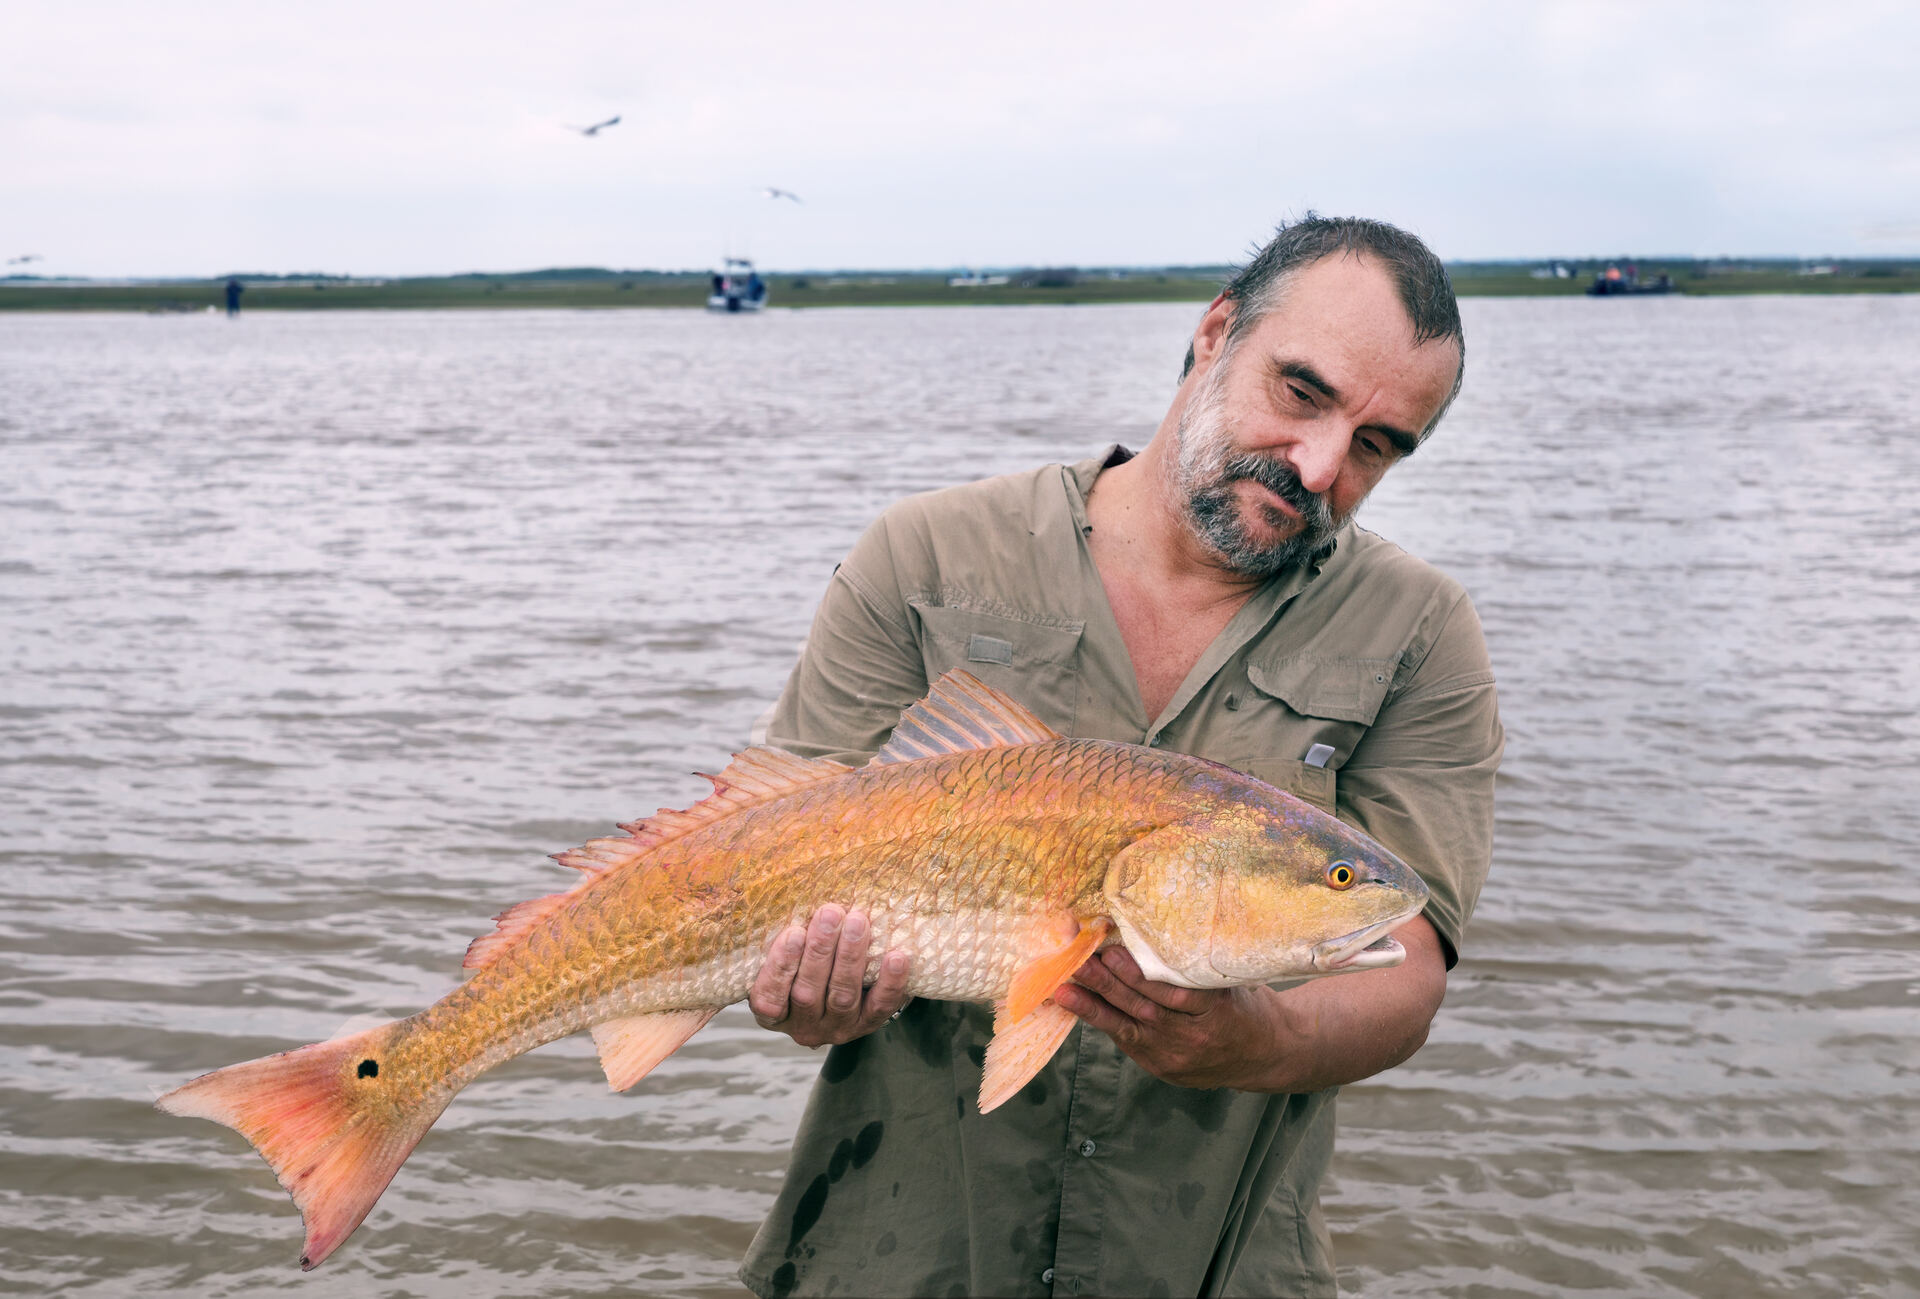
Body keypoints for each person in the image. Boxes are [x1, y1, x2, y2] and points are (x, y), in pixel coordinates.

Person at [737, 215, 1503, 1298]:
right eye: (1301, 393)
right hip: (893, 1251)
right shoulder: (925, 555)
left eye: (1376, 447)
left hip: (1211, 1265)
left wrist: (1257, 1041)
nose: (1321, 465)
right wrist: (809, 991)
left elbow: (1406, 965)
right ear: (1216, 332)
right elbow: (762, 852)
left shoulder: (1422, 633)